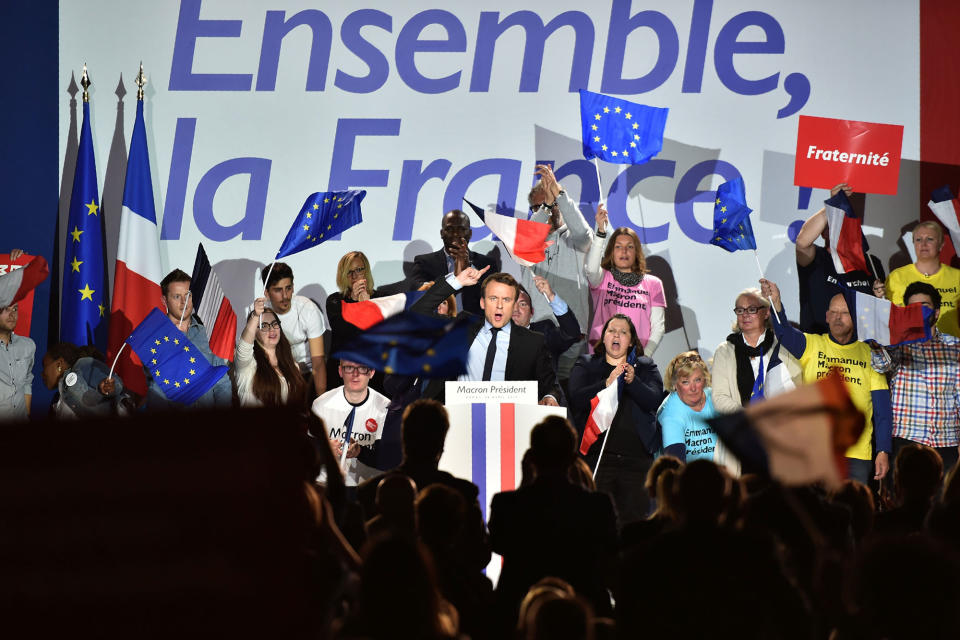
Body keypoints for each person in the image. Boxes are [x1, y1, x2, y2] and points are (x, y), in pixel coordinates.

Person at [488, 416, 618, 630]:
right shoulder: (597, 505)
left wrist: (524, 485)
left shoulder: (507, 505)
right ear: (572, 457)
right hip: (586, 612)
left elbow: (497, 544)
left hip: (517, 612)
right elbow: (611, 559)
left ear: (532, 457)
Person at [761, 278, 892, 484]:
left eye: (845, 313)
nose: (838, 318)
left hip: (856, 455)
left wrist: (883, 449)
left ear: (855, 318)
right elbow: (785, 333)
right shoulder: (812, 344)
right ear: (826, 316)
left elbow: (882, 410)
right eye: (833, 312)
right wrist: (776, 302)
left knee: (852, 512)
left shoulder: (869, 353)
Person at [411, 267, 562, 405]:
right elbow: (417, 314)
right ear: (483, 303)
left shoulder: (533, 342)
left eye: (506, 300)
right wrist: (457, 281)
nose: (500, 305)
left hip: (507, 425)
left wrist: (550, 397)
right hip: (453, 420)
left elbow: (549, 386)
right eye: (493, 298)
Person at [568, 314, 664, 524]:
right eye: (612, 331)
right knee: (595, 524)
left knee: (635, 526)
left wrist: (633, 381)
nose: (617, 335)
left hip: (636, 463)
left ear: (631, 341)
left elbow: (654, 400)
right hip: (598, 460)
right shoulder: (587, 364)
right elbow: (576, 399)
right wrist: (606, 383)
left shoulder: (646, 366)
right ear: (603, 338)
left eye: (623, 332)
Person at [871, 281, 960, 477]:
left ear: (936, 312)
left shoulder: (955, 346)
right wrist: (878, 346)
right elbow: (881, 365)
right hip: (906, 442)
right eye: (913, 308)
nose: (918, 312)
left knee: (945, 507)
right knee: (903, 505)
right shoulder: (898, 343)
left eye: (924, 306)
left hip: (947, 445)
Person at [519, 164, 595, 377]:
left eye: (551, 205)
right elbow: (527, 238)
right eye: (537, 207)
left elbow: (584, 232)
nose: (546, 209)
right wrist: (546, 206)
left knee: (569, 398)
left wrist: (559, 194)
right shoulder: (527, 247)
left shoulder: (575, 239)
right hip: (536, 334)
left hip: (572, 336)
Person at [794, 183, 885, 334]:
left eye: (843, 223)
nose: (839, 228)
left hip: (859, 346)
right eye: (832, 225)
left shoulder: (871, 262)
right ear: (822, 233)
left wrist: (879, 297)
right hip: (820, 344)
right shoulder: (815, 258)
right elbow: (802, 242)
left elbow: (877, 305)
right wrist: (834, 204)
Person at [585, 205, 666, 356]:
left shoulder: (654, 283)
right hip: (601, 357)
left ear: (637, 253)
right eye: (618, 247)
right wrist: (601, 233)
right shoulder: (602, 278)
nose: (624, 251)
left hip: (636, 359)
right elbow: (590, 270)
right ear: (611, 251)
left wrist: (644, 357)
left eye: (630, 247)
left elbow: (658, 327)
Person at [146, 269, 232, 410]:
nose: (184, 302)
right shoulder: (154, 338)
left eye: (188, 295)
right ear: (164, 300)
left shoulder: (206, 331)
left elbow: (222, 381)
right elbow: (156, 384)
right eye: (177, 297)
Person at [325, 251, 409, 388]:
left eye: (359, 270)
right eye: (349, 272)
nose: (354, 276)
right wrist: (355, 303)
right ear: (343, 276)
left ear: (366, 271)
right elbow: (344, 333)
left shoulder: (383, 298)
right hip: (342, 375)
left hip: (375, 374)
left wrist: (368, 306)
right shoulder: (335, 301)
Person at [711, 287, 802, 413]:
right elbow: (719, 397)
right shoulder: (724, 351)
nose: (745, 315)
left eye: (752, 309)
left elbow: (799, 383)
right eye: (740, 310)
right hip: (745, 425)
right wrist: (750, 417)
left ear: (766, 313)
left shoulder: (782, 344)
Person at [311, 359, 391, 491]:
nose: (355, 374)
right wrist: (324, 448)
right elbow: (305, 450)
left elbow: (385, 459)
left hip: (366, 488)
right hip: (326, 484)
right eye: (349, 368)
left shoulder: (385, 408)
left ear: (371, 372)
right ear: (340, 371)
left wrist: (359, 452)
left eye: (362, 368)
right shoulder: (321, 404)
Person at [254, 262, 327, 397]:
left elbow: (318, 362)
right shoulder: (261, 314)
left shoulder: (308, 309)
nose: (285, 296)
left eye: (288, 288)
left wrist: (320, 402)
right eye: (278, 290)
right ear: (267, 293)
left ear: (293, 287)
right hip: (276, 375)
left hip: (307, 374)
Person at [410, 209, 500, 315]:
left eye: (461, 229)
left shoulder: (486, 264)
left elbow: (494, 300)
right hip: (435, 326)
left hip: (474, 327)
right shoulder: (424, 263)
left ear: (470, 233)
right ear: (442, 233)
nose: (456, 234)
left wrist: (469, 266)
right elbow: (418, 298)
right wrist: (456, 277)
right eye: (449, 229)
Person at [885, 220, 960, 337]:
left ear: (941, 244)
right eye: (918, 239)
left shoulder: (956, 277)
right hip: (910, 348)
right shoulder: (896, 277)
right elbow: (890, 318)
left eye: (930, 239)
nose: (923, 244)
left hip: (950, 350)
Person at [657, 352, 730, 470]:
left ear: (705, 380)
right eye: (686, 382)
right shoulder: (670, 411)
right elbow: (676, 465)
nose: (693, 388)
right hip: (689, 476)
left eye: (697, 380)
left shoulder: (716, 397)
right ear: (675, 385)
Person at [235, 298, 308, 408]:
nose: (272, 329)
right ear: (254, 334)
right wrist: (255, 315)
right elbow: (244, 346)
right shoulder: (247, 365)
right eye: (264, 326)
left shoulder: (293, 366)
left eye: (274, 324)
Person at [512, 278, 581, 378]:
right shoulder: (490, 336)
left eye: (522, 304)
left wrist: (551, 296)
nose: (516, 309)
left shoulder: (544, 333)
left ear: (532, 312)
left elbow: (571, 333)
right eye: (511, 303)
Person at [41, 343, 130, 418]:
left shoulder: (82, 366)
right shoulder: (57, 400)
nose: (42, 373)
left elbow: (115, 384)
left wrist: (110, 387)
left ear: (59, 364)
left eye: (44, 366)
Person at [0, 301, 34, 421]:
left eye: (15, 309)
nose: (12, 314)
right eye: (5, 309)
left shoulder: (28, 345)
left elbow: (27, 381)